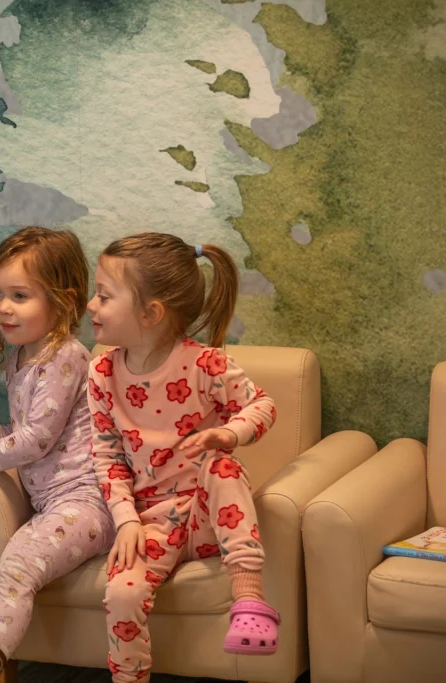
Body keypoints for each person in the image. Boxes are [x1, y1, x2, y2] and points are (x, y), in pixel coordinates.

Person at [86, 233, 279, 682]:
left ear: (151, 313)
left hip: (209, 515)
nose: (92, 306)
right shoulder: (101, 372)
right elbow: (107, 453)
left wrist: (226, 433)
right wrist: (126, 519)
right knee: (120, 593)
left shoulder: (205, 365)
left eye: (104, 296)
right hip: (152, 521)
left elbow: (263, 406)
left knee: (222, 463)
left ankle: (249, 600)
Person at [0, 227, 117, 683]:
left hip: (86, 504)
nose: (3, 307)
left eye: (20, 295)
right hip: (55, 505)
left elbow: (35, 441)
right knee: (0, 579)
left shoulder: (65, 356)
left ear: (63, 301)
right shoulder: (25, 355)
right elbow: (28, 434)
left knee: (16, 569)